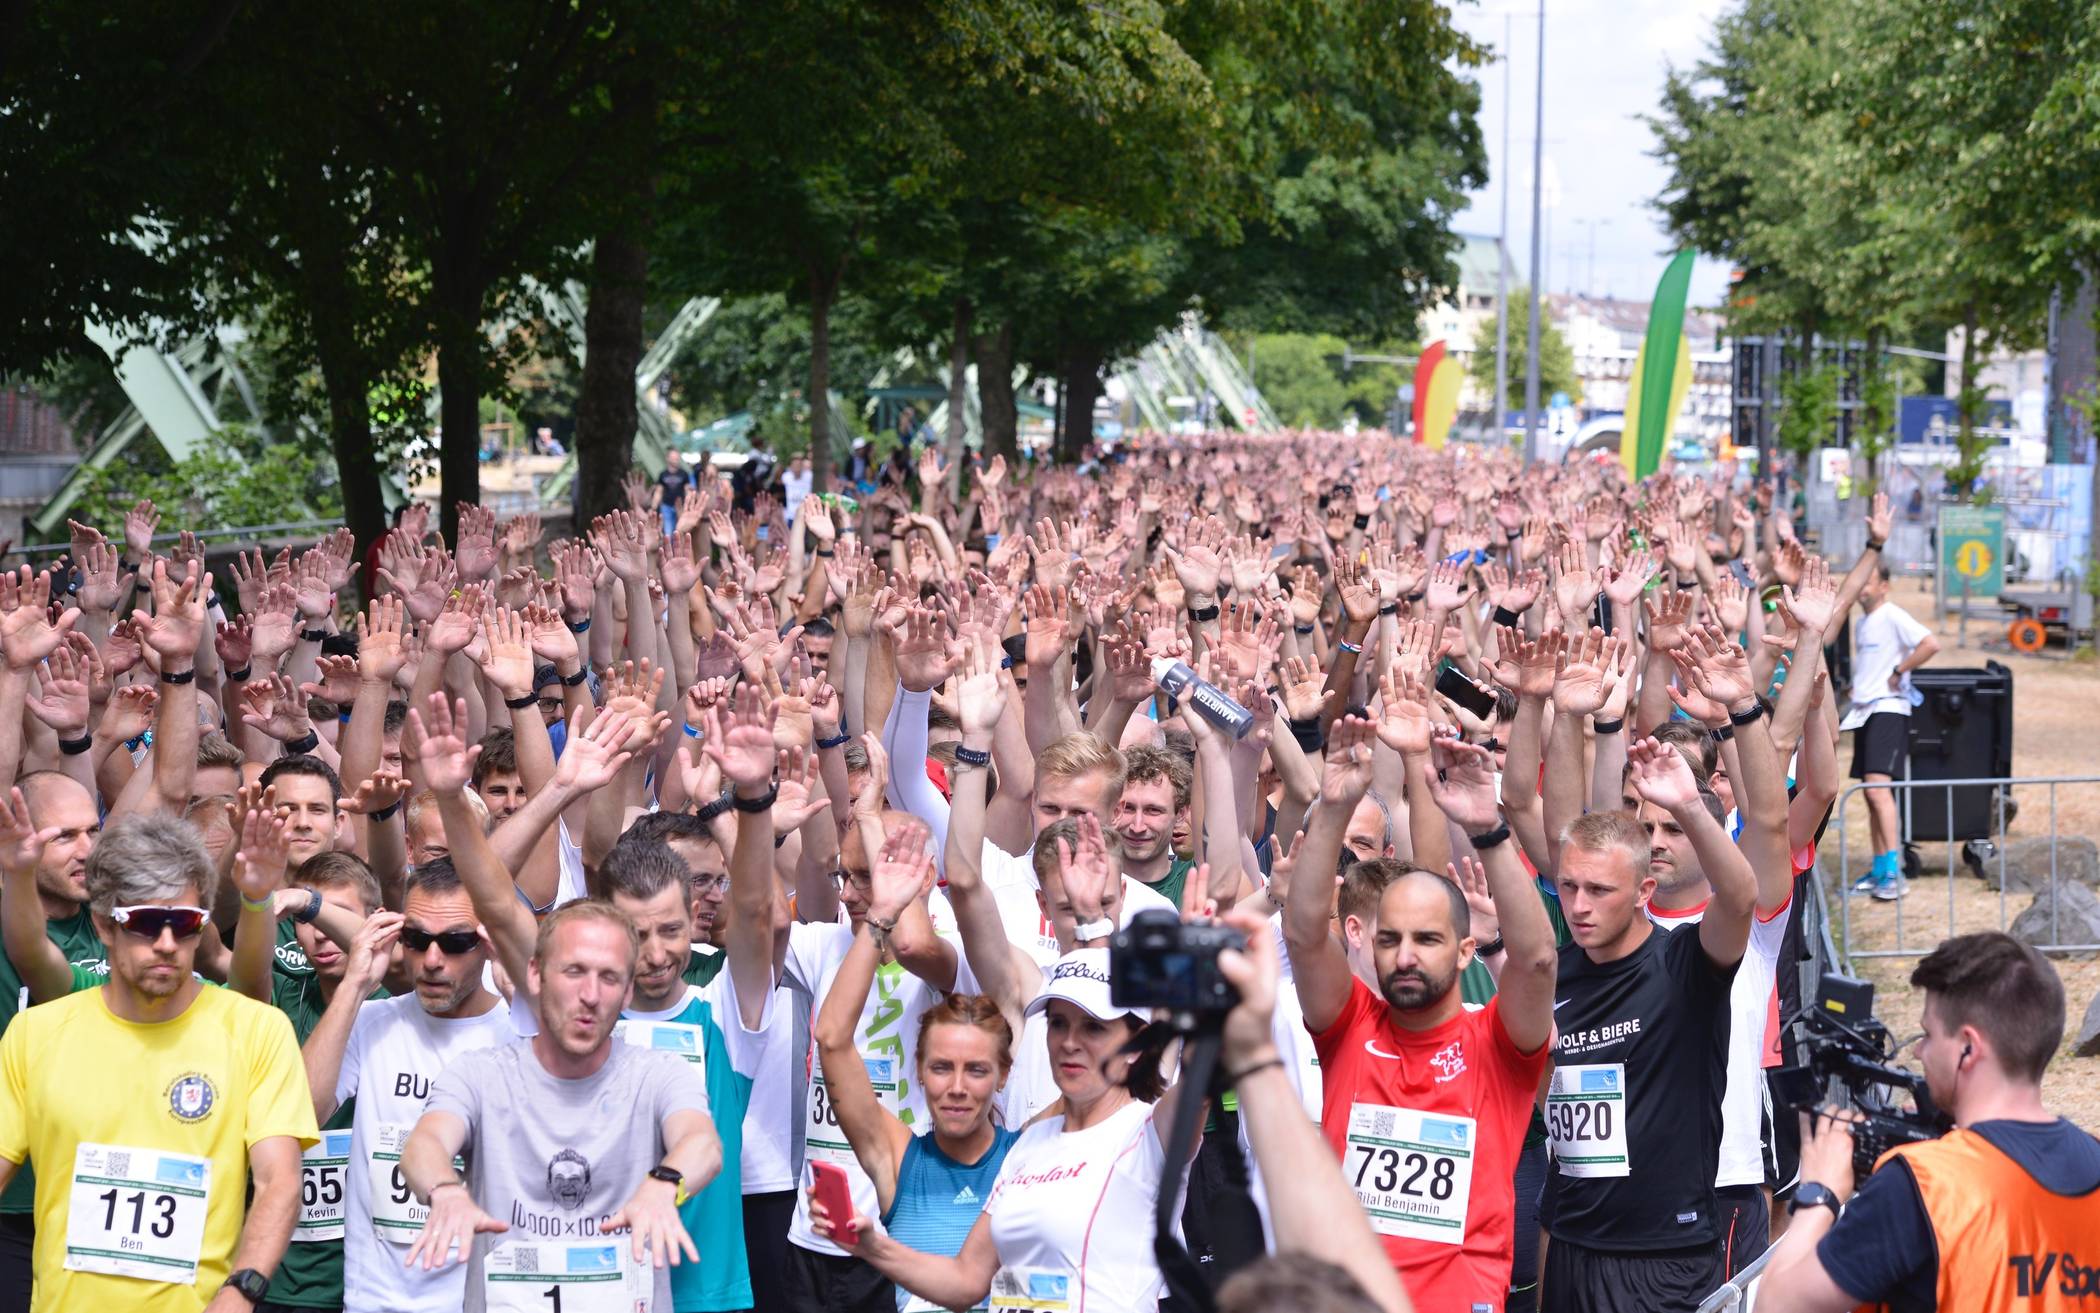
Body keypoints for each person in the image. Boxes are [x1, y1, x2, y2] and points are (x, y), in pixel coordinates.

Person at [425, 688, 783, 1313]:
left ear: (694, 917)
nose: (657, 952)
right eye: (638, 934)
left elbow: (756, 912)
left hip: (700, 1295)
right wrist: (469, 799)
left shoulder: (723, 1006)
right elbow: (493, 900)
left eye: (670, 930)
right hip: (568, 1289)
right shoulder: (574, 1005)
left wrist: (752, 797)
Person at [1285, 717, 1556, 1310]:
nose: (1404, 956)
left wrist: (1488, 831)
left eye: (1427, 940)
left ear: (1464, 951)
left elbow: (1536, 961)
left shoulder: (1498, 1044)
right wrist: (1332, 807)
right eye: (1389, 940)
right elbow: (1303, 935)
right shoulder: (1350, 1025)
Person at [0, 812, 319, 1312]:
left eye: (185, 924)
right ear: (104, 925)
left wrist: (242, 1290)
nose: (168, 944)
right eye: (147, 924)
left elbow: (279, 1181)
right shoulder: (36, 1033)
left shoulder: (257, 1030)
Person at [807, 941, 1192, 1313]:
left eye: (1093, 1028)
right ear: (919, 1070)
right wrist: (871, 1246)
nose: (1070, 1042)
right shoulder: (1031, 1146)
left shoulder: (1147, 1131)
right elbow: (972, 1281)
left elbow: (1201, 1082)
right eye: (1058, 1024)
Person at [399, 900, 721, 1313]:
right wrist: (445, 1192)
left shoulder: (659, 1074)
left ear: (627, 992)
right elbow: (423, 1145)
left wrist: (666, 1184)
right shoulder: (480, 1074)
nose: (590, 996)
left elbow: (702, 1143)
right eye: (574, 972)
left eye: (609, 978)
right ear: (535, 974)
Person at [1756, 933, 2100, 1312]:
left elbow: (1777, 1304)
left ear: (1968, 1047)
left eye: (1928, 1034)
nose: (1919, 1051)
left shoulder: (1920, 1184)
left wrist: (1819, 1191)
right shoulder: (2093, 1159)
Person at [1538, 737, 1756, 1313]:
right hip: (1572, 1244)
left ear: (1643, 892)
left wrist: (1688, 806)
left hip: (1664, 1258)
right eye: (1569, 887)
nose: (1578, 906)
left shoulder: (1684, 963)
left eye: (1599, 890)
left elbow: (1739, 900)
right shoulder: (1555, 975)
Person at [812, 821, 1019, 1312]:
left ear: (1004, 1075)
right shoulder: (898, 1162)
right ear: (920, 1071)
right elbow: (832, 1038)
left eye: (976, 1070)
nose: (957, 1087)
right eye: (942, 1068)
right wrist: (880, 918)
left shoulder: (1030, 1155)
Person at [299, 857, 520, 1313]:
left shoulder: (518, 1034)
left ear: (489, 943)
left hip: (480, 1299)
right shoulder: (371, 1020)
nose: (432, 961)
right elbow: (300, 1115)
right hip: (374, 1299)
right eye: (417, 940)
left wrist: (527, 1011)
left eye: (455, 942)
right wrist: (355, 985)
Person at [1839, 560, 1938, 902]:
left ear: (1884, 586)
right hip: (1865, 710)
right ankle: (1880, 868)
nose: (1862, 586)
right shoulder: (1862, 622)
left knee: (1879, 790)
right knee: (1870, 792)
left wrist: (1900, 670)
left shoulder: (1893, 615)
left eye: (1870, 580)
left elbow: (1930, 643)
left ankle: (1895, 873)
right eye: (1860, 581)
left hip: (1889, 710)